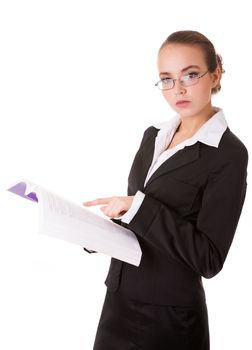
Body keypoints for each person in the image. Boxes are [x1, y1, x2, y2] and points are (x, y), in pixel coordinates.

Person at [83, 30, 248, 350]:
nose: (178, 89)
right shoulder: (152, 135)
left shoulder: (228, 153)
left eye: (190, 75)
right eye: (166, 79)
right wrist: (97, 230)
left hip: (170, 320)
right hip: (117, 304)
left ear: (215, 74)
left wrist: (138, 208)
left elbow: (209, 258)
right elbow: (138, 217)